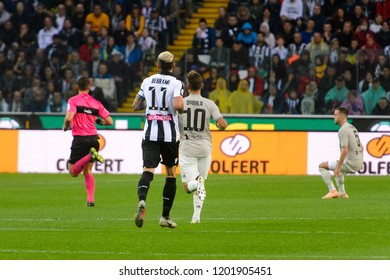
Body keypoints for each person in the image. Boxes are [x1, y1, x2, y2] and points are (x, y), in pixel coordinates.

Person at [132, 51, 184, 229]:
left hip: (150, 133)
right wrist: (181, 108)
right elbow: (178, 105)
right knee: (170, 174)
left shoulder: (147, 81)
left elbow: (136, 105)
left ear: (157, 65)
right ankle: (165, 216)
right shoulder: (177, 83)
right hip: (169, 135)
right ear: (173, 65)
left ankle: (142, 200)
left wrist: (153, 105)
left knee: (148, 170)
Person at [179, 70, 228, 224]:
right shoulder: (209, 103)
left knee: (188, 187)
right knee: (201, 181)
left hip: (188, 148)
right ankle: (196, 217)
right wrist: (216, 123)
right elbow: (223, 124)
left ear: (187, 86)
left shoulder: (181, 102)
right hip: (205, 148)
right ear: (202, 85)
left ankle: (197, 184)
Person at [63, 77, 113, 207]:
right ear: (89, 87)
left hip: (80, 139)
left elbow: (69, 117)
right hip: (94, 139)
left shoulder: (73, 100)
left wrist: (65, 126)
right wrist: (98, 122)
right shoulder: (96, 103)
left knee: (73, 172)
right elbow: (109, 121)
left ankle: (89, 155)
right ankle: (90, 200)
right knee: (88, 171)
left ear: (76, 87)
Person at [319, 107, 363, 199]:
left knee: (322, 166)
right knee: (339, 168)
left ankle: (332, 191)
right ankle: (342, 194)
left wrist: (338, 166)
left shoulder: (343, 130)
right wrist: (361, 161)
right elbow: (361, 147)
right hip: (357, 161)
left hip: (351, 162)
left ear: (342, 116)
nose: (333, 117)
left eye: (335, 115)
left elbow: (345, 150)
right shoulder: (352, 127)